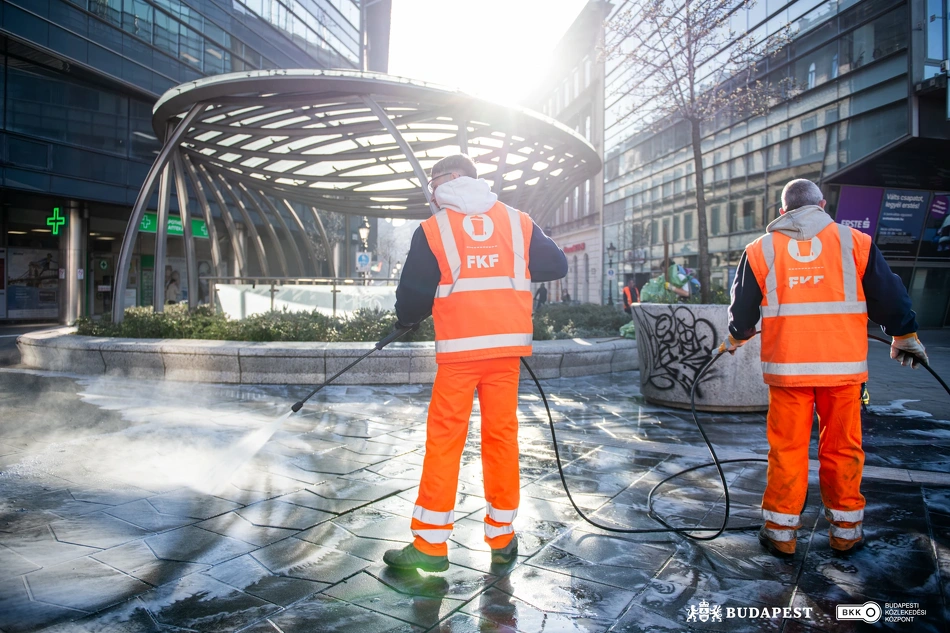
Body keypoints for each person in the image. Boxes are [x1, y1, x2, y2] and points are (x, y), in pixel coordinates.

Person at [723, 179, 926, 558]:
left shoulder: (761, 249)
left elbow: (744, 309)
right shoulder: (855, 242)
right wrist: (905, 334)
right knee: (843, 448)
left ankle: (781, 535)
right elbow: (889, 294)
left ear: (782, 212)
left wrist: (737, 335)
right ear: (822, 204)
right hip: (843, 370)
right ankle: (846, 533)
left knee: (787, 450)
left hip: (788, 372)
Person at [384, 153, 567, 572]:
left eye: (432, 185)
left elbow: (413, 294)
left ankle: (430, 546)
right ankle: (502, 538)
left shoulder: (435, 228)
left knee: (446, 441)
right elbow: (556, 264)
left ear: (446, 180)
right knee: (501, 439)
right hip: (505, 353)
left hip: (461, 355)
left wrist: (406, 320)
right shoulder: (516, 220)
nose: (431, 194)